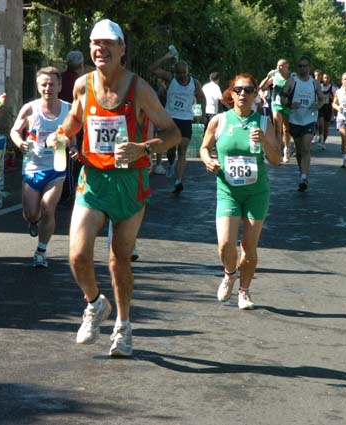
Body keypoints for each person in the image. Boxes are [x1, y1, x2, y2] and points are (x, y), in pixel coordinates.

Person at [51, 19, 180, 356]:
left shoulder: (139, 89)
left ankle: (123, 326)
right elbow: (76, 119)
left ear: (122, 50)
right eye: (96, 43)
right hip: (93, 178)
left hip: (129, 181)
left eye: (109, 43)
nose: (100, 48)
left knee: (118, 258)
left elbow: (173, 133)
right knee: (77, 254)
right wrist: (61, 135)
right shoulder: (82, 85)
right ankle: (95, 303)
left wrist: (144, 148)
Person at [200, 74, 280, 309]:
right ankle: (230, 273)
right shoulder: (219, 121)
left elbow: (275, 159)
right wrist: (207, 160)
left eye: (248, 90)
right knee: (225, 244)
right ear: (231, 93)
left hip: (256, 193)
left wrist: (265, 142)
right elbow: (205, 147)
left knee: (248, 247)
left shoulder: (264, 122)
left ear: (256, 94)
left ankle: (244, 292)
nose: (243, 94)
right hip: (228, 190)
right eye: (238, 89)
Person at [10, 67, 73, 268]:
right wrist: (20, 143)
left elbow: (75, 136)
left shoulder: (68, 109)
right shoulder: (30, 109)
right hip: (32, 167)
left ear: (60, 86)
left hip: (56, 166)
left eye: (52, 84)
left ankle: (41, 251)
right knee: (31, 214)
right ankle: (34, 222)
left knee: (48, 208)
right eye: (44, 84)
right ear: (38, 86)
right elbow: (14, 130)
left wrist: (74, 148)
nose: (48, 88)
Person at [149, 50, 204, 193]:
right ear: (175, 72)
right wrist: (166, 56)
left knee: (183, 151)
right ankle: (170, 162)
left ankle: (178, 181)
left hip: (185, 120)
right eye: (179, 73)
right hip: (170, 119)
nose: (181, 76)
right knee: (170, 149)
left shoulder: (195, 83)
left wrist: (203, 115)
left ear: (188, 71)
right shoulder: (171, 78)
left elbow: (202, 97)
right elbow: (152, 69)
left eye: (183, 73)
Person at [280, 56, 324, 192]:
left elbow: (322, 99)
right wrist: (289, 104)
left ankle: (304, 177)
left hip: (310, 119)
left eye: (305, 66)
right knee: (299, 149)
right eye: (300, 66)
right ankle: (302, 172)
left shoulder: (314, 83)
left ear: (309, 67)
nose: (303, 68)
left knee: (306, 147)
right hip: (295, 119)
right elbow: (282, 97)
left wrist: (317, 105)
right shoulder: (292, 81)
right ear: (297, 67)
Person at [59, 50, 85, 205]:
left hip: (57, 124)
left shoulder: (59, 79)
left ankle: (60, 189)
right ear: (81, 65)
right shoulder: (82, 82)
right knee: (74, 160)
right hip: (76, 125)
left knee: (60, 159)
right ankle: (70, 192)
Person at [260, 59, 292, 162]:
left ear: (286, 66)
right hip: (276, 105)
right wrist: (267, 77)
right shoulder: (274, 76)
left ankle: (287, 149)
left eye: (281, 65)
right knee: (277, 129)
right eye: (278, 65)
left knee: (286, 129)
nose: (278, 67)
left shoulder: (291, 77)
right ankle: (277, 152)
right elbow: (262, 87)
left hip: (287, 105)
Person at [317, 73, 337, 150]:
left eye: (327, 78)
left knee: (326, 127)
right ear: (322, 78)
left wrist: (331, 97)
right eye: (325, 78)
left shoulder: (332, 88)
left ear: (329, 79)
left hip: (328, 108)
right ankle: (320, 136)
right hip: (320, 107)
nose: (326, 79)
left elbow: (336, 98)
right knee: (321, 124)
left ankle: (323, 142)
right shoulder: (319, 86)